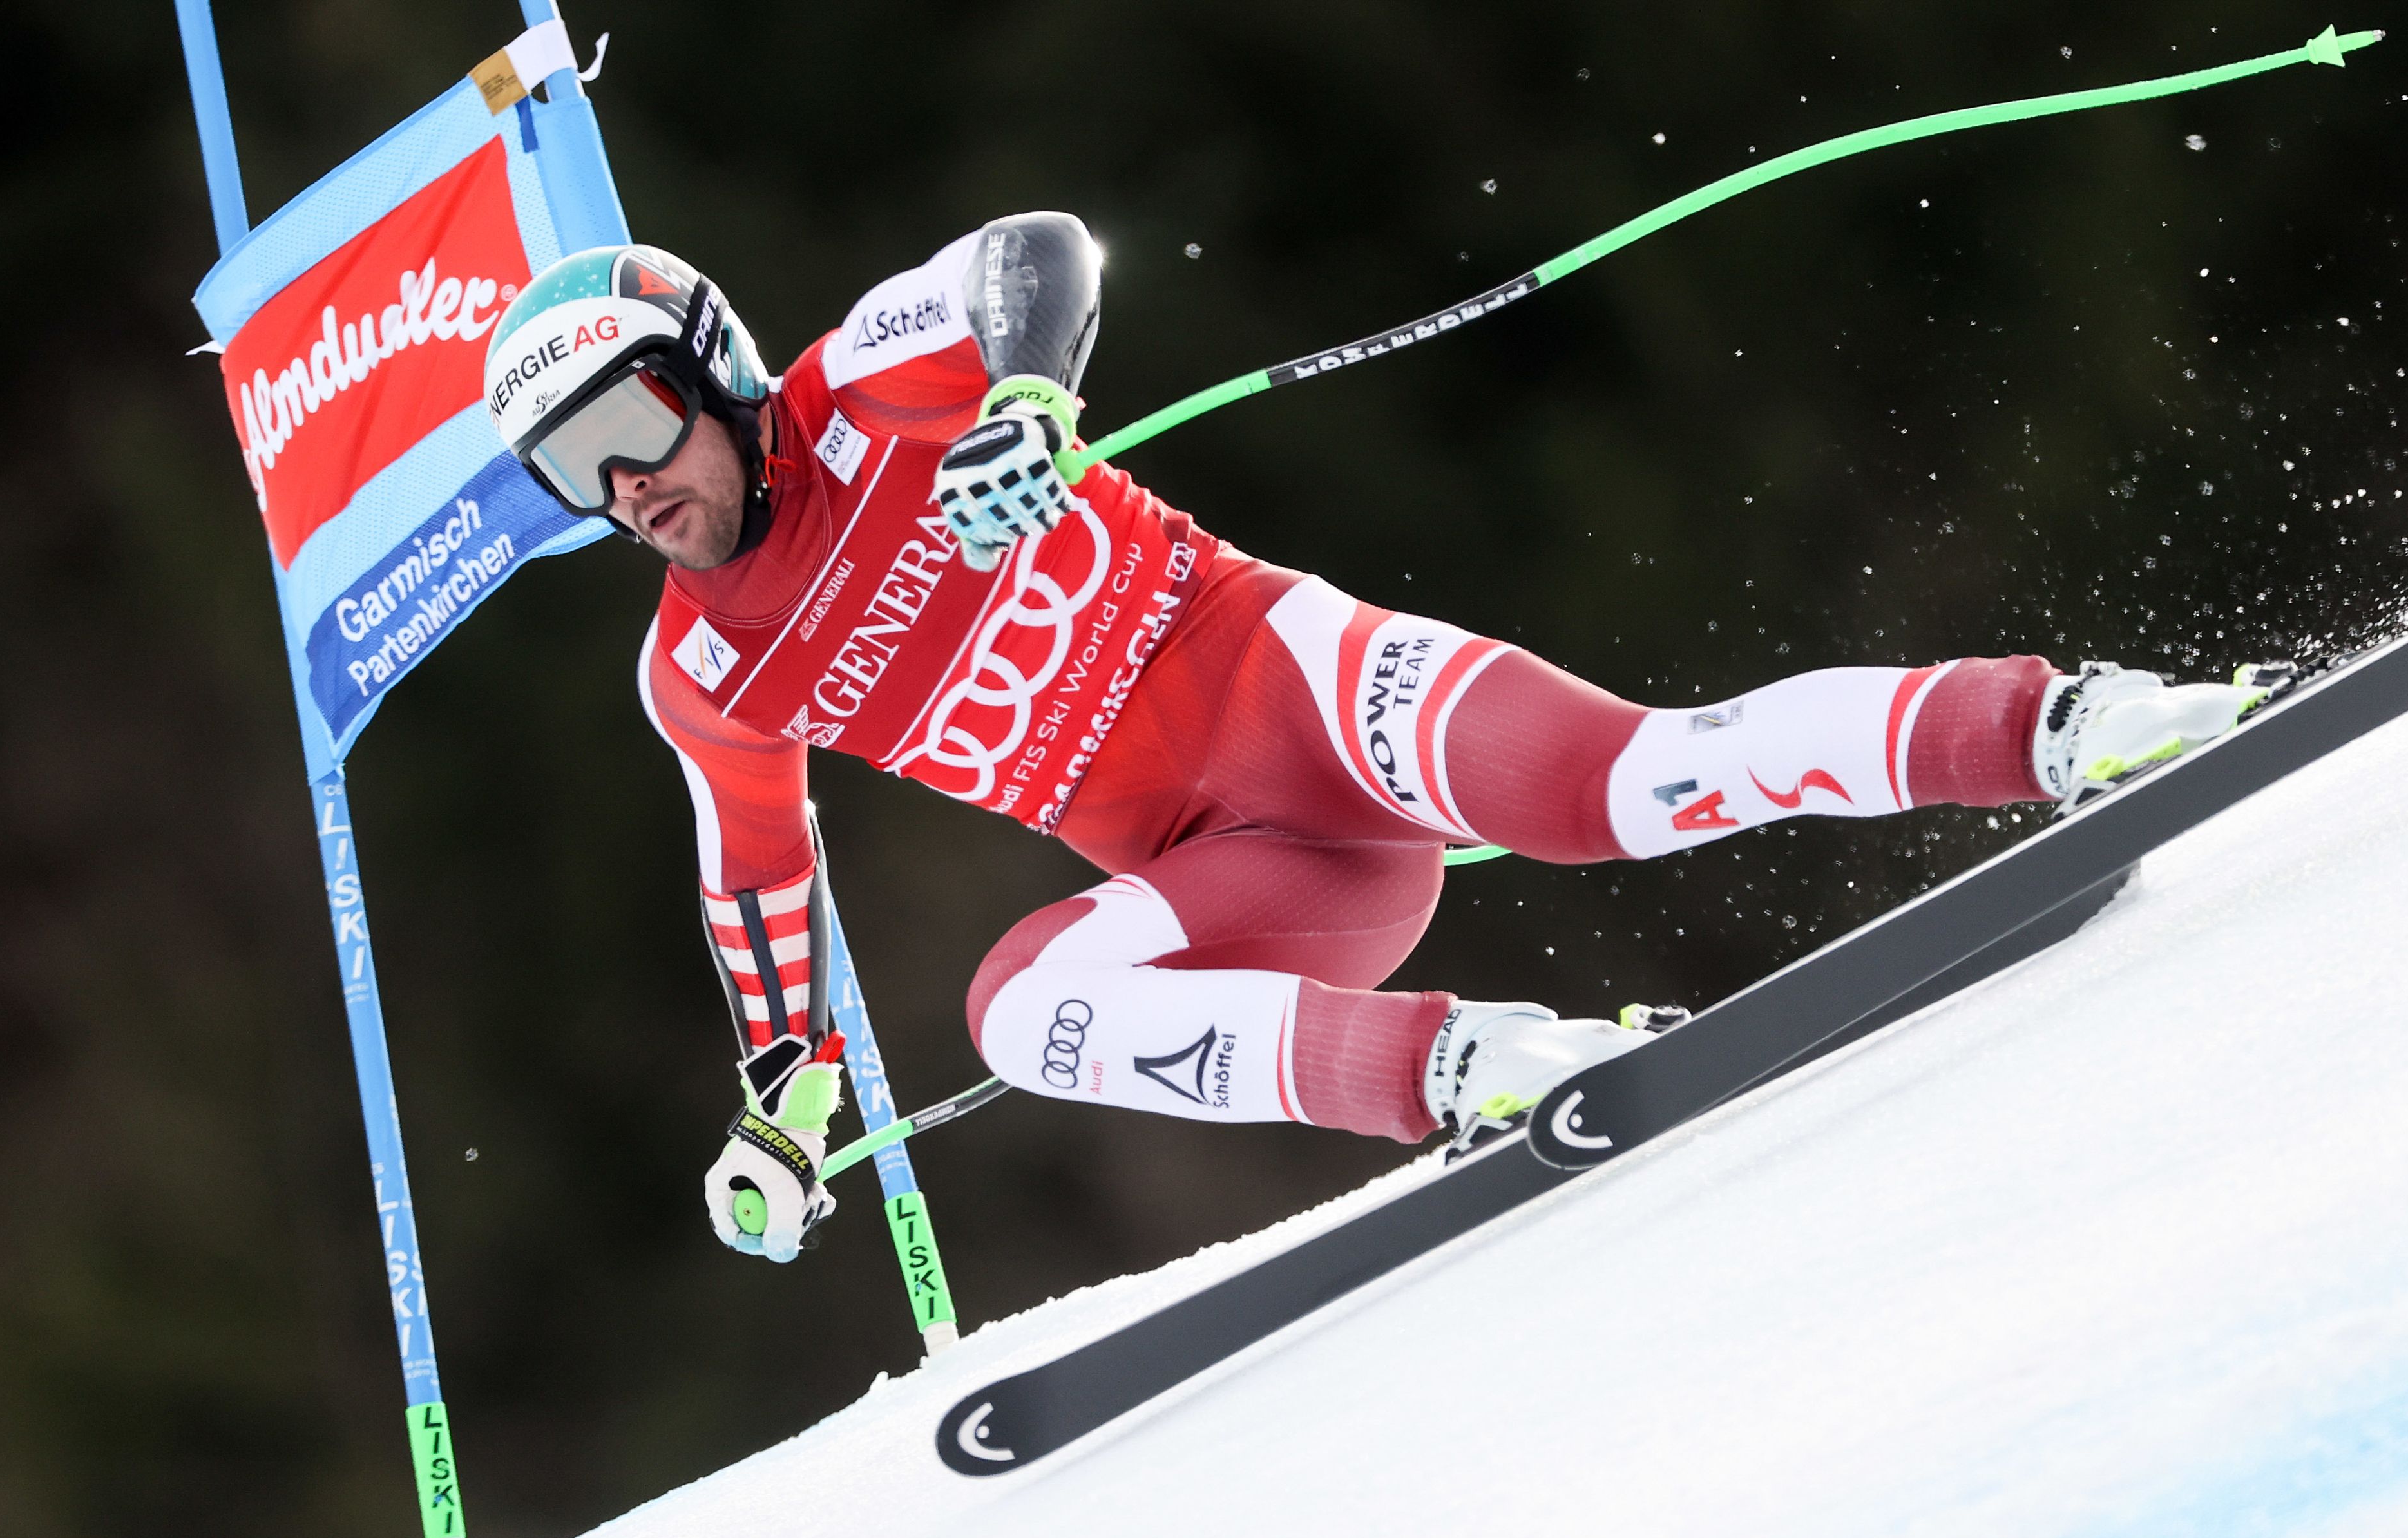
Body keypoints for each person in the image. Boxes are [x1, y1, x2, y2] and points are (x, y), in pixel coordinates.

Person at [484, 218, 2273, 1261]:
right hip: (1236, 877)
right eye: (570, 474)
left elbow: (1038, 254)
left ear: (708, 368)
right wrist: (787, 1094)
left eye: (630, 426)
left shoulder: (860, 383)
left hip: (1297, 685)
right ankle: (1468, 1065)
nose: (625, 487)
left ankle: (2057, 727)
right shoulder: (698, 670)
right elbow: (760, 876)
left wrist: (1029, 399)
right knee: (1019, 1012)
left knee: (1620, 788)